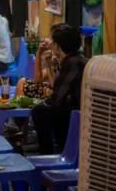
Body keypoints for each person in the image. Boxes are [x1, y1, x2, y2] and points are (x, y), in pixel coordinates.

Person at [31, 24, 87, 154]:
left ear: (58, 45)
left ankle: (49, 153)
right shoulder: (75, 59)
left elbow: (58, 97)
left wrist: (48, 99)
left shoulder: (73, 63)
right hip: (74, 108)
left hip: (76, 112)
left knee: (40, 111)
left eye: (52, 40)